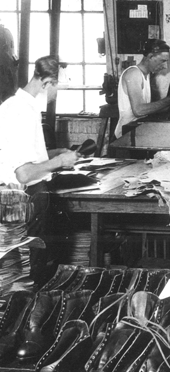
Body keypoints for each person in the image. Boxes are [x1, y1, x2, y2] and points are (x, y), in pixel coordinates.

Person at [0, 55, 80, 287]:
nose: (56, 95)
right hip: (19, 200)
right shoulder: (22, 111)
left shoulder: (18, 105)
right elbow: (24, 174)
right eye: (57, 88)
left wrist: (53, 154)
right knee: (24, 277)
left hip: (21, 198)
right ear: (46, 83)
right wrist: (60, 162)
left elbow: (18, 156)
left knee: (22, 274)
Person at [114, 39, 170, 138]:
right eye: (162, 61)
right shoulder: (133, 73)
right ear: (150, 56)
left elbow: (148, 109)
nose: (164, 66)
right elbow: (139, 111)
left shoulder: (146, 75)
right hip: (124, 135)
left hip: (137, 132)